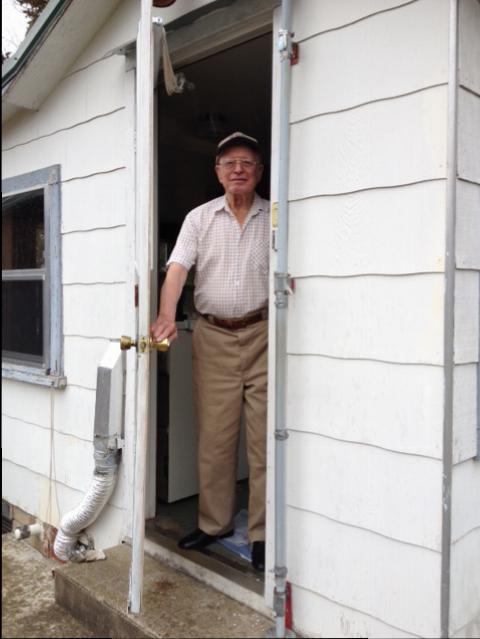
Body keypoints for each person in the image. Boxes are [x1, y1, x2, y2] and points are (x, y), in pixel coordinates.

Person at [150, 132, 269, 571]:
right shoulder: (199, 218)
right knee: (215, 438)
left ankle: (262, 531)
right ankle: (214, 524)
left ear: (259, 172)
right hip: (213, 336)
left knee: (264, 440)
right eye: (229, 163)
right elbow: (177, 269)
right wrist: (166, 316)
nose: (238, 169)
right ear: (217, 172)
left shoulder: (275, 216)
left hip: (264, 334)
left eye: (247, 162)